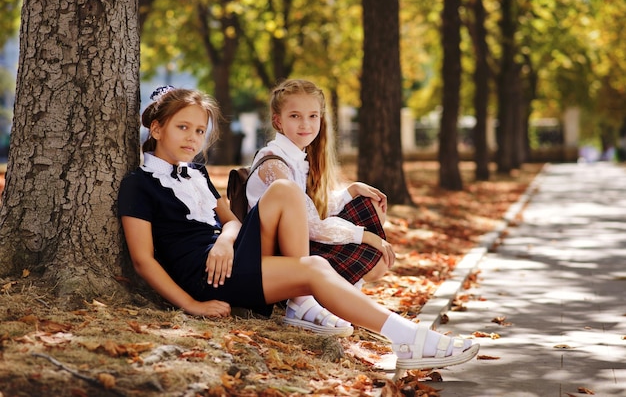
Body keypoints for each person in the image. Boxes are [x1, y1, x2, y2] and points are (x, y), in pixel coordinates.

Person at [117, 86, 479, 373]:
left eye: (199, 130)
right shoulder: (139, 183)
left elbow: (231, 221)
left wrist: (226, 241)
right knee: (313, 266)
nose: (193, 138)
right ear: (157, 128)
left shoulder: (194, 173)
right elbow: (143, 261)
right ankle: (408, 339)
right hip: (204, 276)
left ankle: (316, 308)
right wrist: (193, 306)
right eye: (183, 127)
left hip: (228, 256)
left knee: (286, 191)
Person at [245, 79, 395, 330]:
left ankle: (335, 298)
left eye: (313, 116)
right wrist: (367, 236)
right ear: (278, 121)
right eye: (295, 116)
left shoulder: (299, 158)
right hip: (277, 256)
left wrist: (350, 191)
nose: (305, 124)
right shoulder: (273, 162)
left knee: (366, 208)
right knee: (374, 253)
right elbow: (311, 224)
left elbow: (314, 208)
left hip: (301, 243)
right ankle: (305, 302)